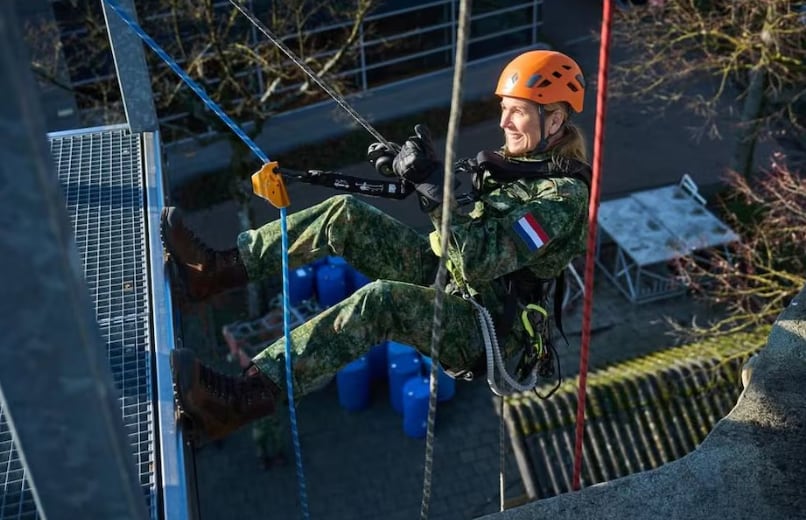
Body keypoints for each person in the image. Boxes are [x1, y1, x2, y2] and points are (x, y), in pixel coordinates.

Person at [165, 49, 591, 442]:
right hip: (456, 278)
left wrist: (430, 189)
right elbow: (465, 230)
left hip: (487, 325)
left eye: (517, 112)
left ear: (554, 121)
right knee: (342, 214)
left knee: (381, 302)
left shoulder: (561, 198)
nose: (504, 122)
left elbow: (480, 258)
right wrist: (414, 174)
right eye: (504, 109)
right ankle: (214, 272)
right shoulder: (516, 165)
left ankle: (242, 399)